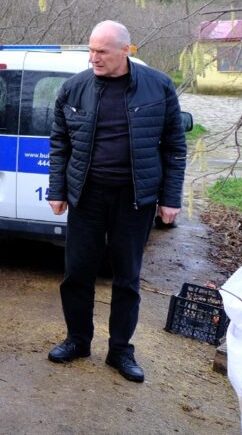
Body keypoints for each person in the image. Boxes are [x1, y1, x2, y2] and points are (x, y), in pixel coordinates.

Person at [46, 20, 187, 384]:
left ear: (126, 50)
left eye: (102, 52)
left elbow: (174, 146)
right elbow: (60, 142)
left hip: (134, 200)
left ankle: (121, 350)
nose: (93, 57)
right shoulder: (74, 88)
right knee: (77, 274)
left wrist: (170, 199)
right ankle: (77, 340)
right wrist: (57, 190)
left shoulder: (157, 87)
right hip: (86, 197)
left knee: (127, 278)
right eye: (90, 50)